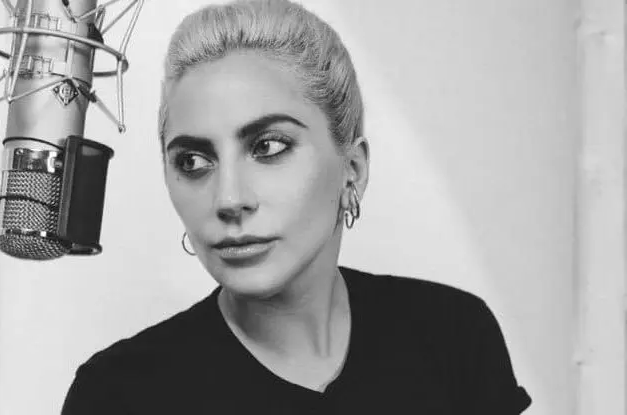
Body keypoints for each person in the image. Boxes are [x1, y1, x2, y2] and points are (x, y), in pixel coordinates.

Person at [61, 0, 532, 413]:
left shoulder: (452, 335)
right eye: (193, 161)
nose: (229, 199)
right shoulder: (118, 395)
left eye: (268, 147)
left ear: (352, 169)